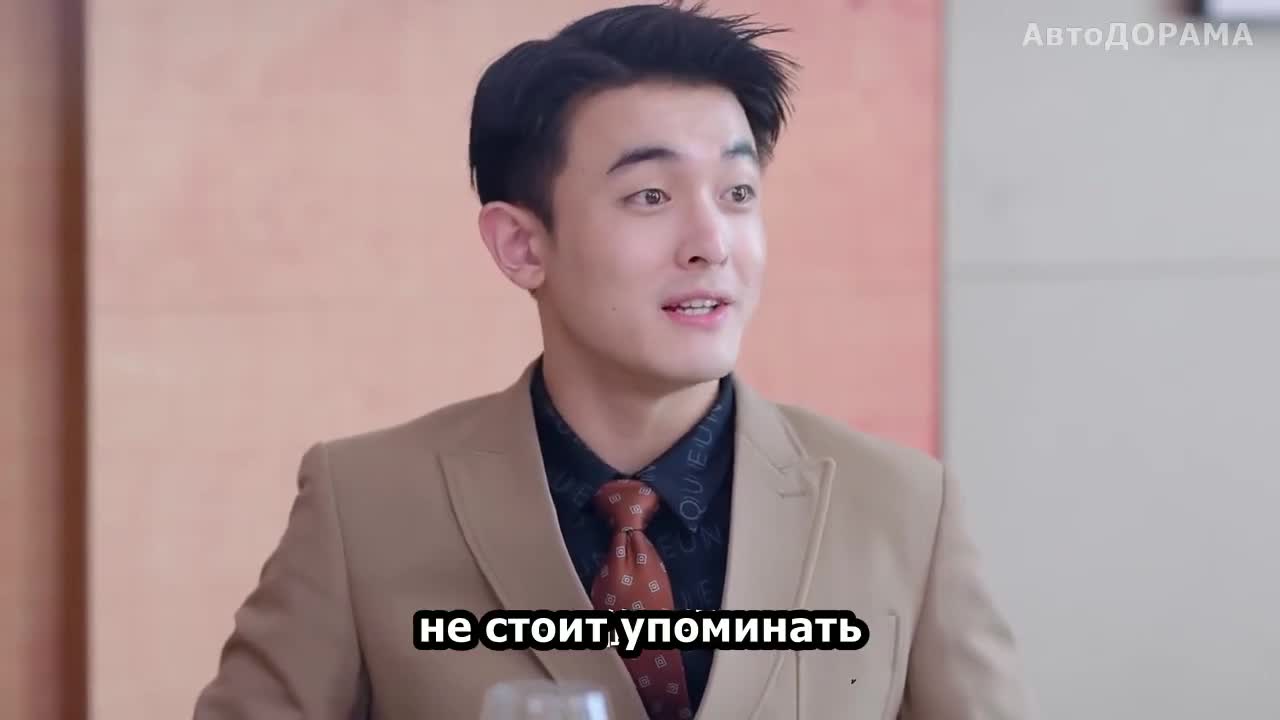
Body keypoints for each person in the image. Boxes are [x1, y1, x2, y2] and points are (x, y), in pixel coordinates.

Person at [194, 2, 1034, 718]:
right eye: (651, 196)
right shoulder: (366, 508)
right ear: (523, 245)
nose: (712, 243)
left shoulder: (899, 509)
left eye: (738, 194)